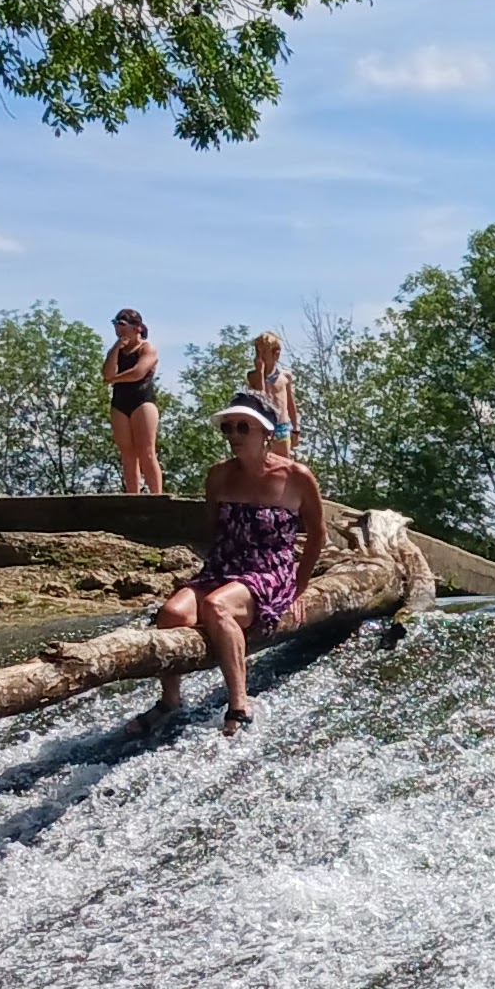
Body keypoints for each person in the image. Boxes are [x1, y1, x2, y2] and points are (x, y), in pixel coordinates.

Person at [139, 396, 325, 736]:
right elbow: (213, 529)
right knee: (171, 614)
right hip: (223, 567)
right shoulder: (218, 475)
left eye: (243, 427)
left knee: (217, 607)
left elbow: (317, 535)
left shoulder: (296, 477)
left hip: (269, 570)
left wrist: (298, 588)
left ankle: (239, 704)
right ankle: (170, 699)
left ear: (266, 432)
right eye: (228, 428)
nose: (234, 435)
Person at [105, 309, 165, 494]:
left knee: (147, 452)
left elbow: (138, 372)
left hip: (142, 402)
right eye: (116, 324)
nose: (119, 328)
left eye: (123, 325)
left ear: (137, 327)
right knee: (127, 454)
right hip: (119, 403)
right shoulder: (116, 350)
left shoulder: (147, 348)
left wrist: (115, 379)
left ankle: (157, 496)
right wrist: (116, 348)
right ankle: (132, 496)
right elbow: (107, 373)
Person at [245, 330, 299, 451]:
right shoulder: (253, 376)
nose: (260, 357)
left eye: (264, 353)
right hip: (263, 427)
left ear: (276, 355)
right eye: (257, 353)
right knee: (264, 459)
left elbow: (290, 403)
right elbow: (261, 396)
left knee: (283, 459)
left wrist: (296, 428)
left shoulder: (285, 376)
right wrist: (260, 372)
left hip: (281, 426)